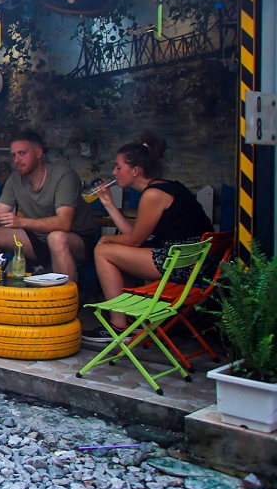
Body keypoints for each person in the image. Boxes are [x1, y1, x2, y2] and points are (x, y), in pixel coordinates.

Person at [89, 135, 212, 343]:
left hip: (184, 265)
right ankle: (128, 319)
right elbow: (134, 234)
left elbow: (135, 241)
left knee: (103, 251)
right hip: (196, 261)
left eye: (118, 167)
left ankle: (119, 326)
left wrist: (107, 241)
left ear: (135, 170)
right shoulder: (167, 187)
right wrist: (109, 204)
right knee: (112, 251)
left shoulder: (153, 195)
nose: (114, 172)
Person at [0, 129, 100, 281]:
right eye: (13, 155)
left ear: (38, 153)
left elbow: (63, 223)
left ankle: (64, 302)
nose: (17, 160)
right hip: (38, 240)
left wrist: (21, 222)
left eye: (22, 153)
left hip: (77, 241)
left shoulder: (63, 175)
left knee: (56, 238)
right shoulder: (15, 179)